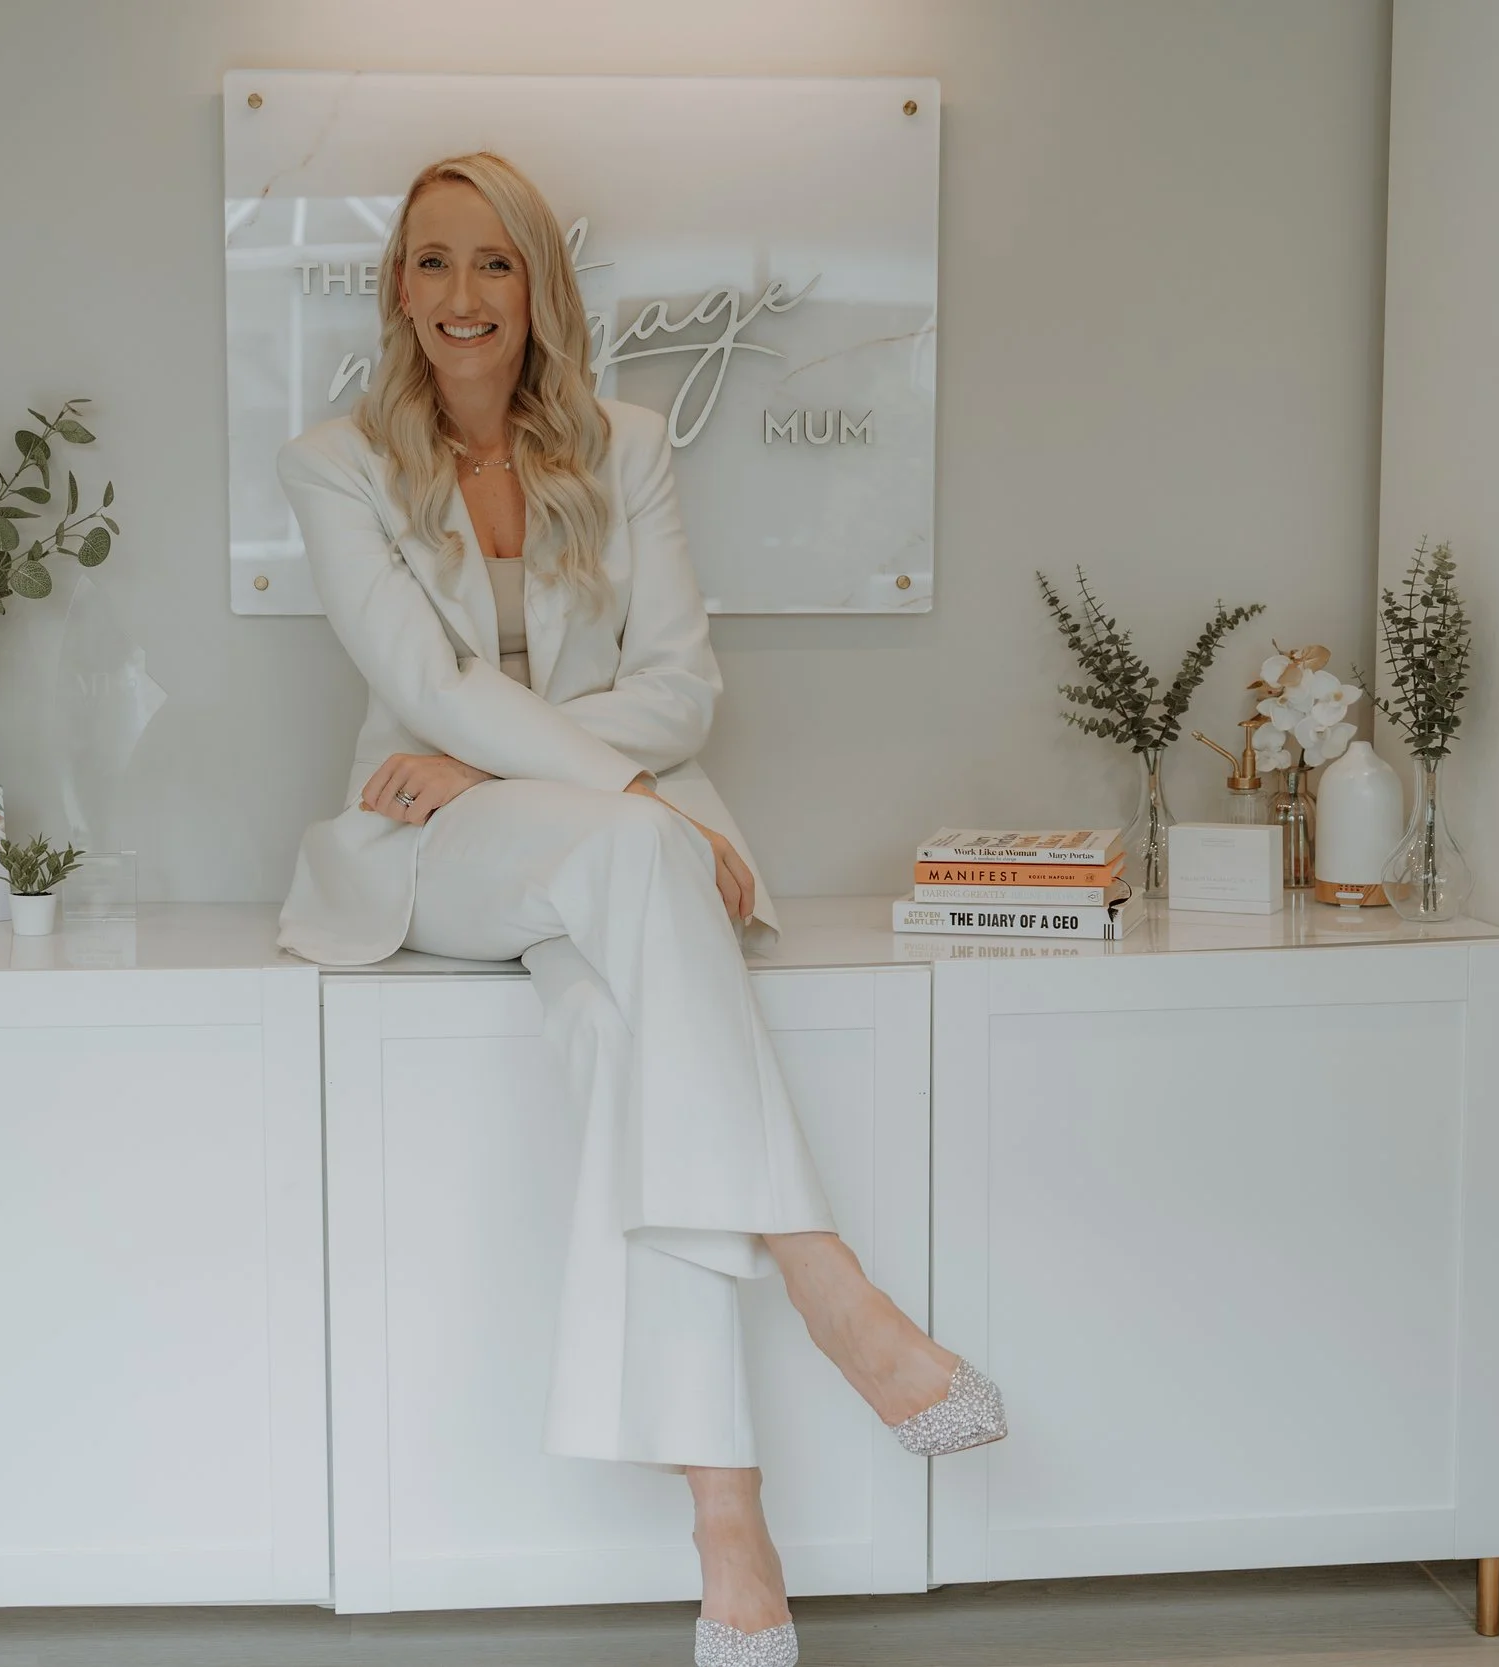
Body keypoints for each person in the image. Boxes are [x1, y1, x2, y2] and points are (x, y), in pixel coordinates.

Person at [275, 152, 1001, 1667]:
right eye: (429, 263)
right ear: (395, 288)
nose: (460, 297)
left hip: (583, 838)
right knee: (638, 856)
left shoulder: (629, 441)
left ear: (539, 284)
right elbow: (422, 683)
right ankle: (829, 1278)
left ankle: (728, 1516)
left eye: (492, 264)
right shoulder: (335, 460)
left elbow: (686, 683)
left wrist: (537, 758)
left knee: (621, 1026)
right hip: (437, 846)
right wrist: (635, 792)